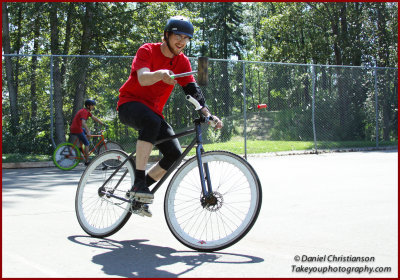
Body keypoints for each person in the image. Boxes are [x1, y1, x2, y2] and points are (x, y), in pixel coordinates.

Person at [117, 16, 223, 216]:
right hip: (129, 104)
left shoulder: (182, 62)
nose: (181, 42)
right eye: (178, 36)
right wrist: (160, 74)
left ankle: (138, 193)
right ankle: (139, 180)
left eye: (186, 38)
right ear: (166, 35)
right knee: (151, 121)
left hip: (154, 114)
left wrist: (209, 115)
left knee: (174, 154)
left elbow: (193, 90)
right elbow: (142, 78)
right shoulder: (147, 50)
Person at [70, 99, 105, 165]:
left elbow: (94, 118)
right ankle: (87, 161)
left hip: (78, 128)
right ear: (88, 106)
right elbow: (83, 122)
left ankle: (79, 147)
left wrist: (102, 123)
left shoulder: (86, 111)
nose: (93, 106)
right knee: (87, 143)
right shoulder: (84, 112)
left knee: (88, 135)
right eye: (92, 105)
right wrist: (88, 131)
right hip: (77, 128)